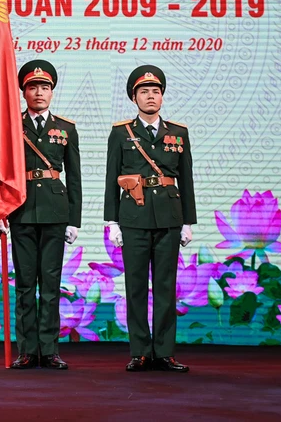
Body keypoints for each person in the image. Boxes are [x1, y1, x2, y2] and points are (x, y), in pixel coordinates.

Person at [104, 65, 196, 373]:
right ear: (135, 98)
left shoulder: (178, 133)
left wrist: (188, 222)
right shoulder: (121, 133)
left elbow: (186, 179)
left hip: (169, 217)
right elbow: (111, 179)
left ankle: (165, 352)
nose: (151, 96)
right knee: (136, 287)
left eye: (156, 91)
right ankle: (140, 352)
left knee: (166, 287)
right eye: (144, 92)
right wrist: (112, 222)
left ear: (162, 96)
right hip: (134, 217)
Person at [0, 60, 81, 370]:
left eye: (45, 87)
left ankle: (50, 349)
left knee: (51, 283)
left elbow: (75, 176)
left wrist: (74, 220)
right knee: (25, 284)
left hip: (56, 211)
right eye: (33, 87)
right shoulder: (10, 126)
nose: (39, 92)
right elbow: (0, 171)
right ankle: (27, 350)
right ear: (24, 92)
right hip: (21, 210)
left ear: (52, 92)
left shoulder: (66, 128)